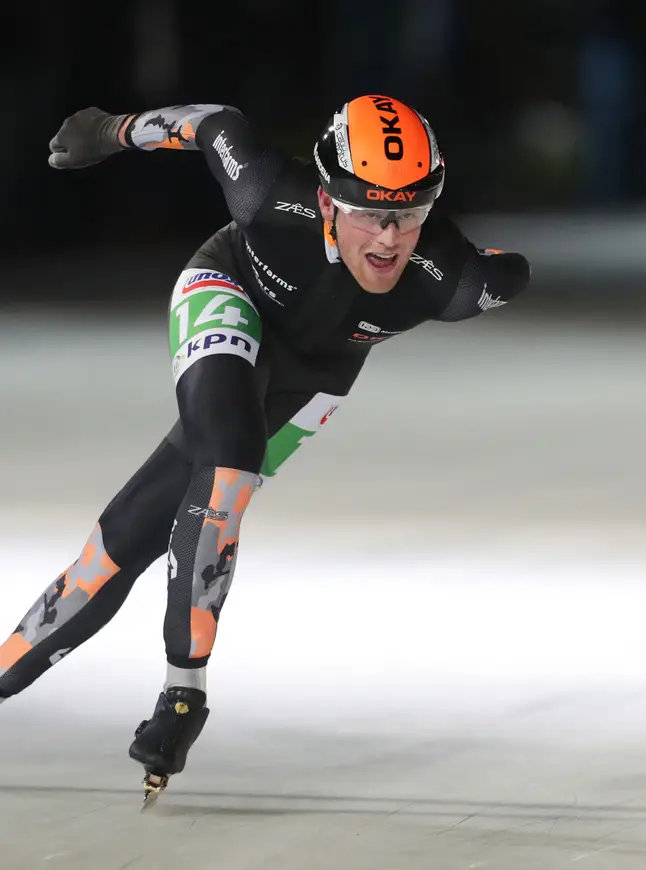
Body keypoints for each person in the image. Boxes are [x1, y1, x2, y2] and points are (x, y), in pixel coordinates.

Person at [0, 96, 531, 800]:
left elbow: (508, 269)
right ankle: (185, 692)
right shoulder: (266, 194)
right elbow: (213, 125)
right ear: (327, 200)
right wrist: (110, 131)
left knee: (130, 536)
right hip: (231, 288)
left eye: (409, 214)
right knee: (227, 465)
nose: (388, 238)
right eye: (369, 212)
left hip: (313, 378)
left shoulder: (454, 280)